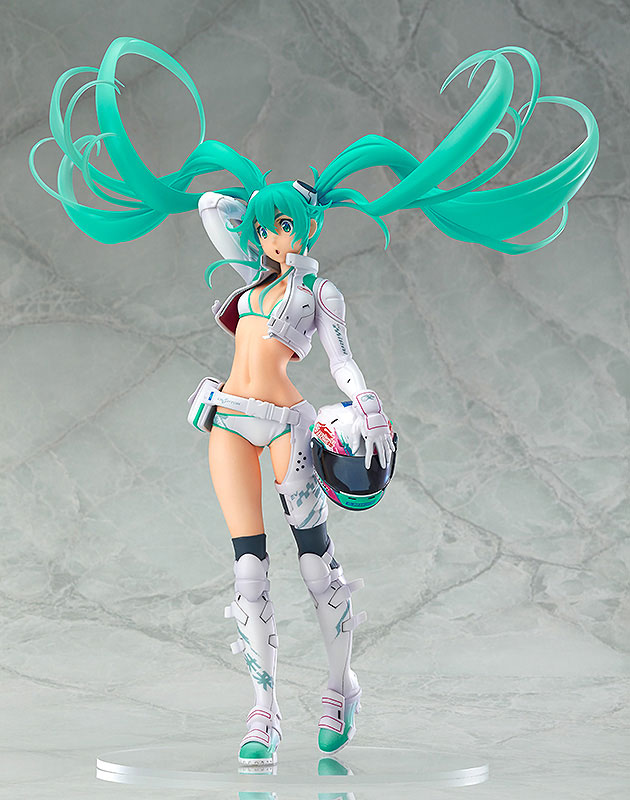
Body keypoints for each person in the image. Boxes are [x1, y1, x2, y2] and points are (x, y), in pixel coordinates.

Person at [29, 37, 598, 767]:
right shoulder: (249, 279)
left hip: (286, 427)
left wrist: (368, 405)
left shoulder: (319, 292)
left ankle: (339, 685)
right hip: (228, 423)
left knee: (315, 566)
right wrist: (264, 192)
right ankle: (263, 710)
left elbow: (343, 362)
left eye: (284, 226)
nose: (272, 236)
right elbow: (211, 204)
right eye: (266, 228)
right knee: (248, 570)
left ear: (305, 228)